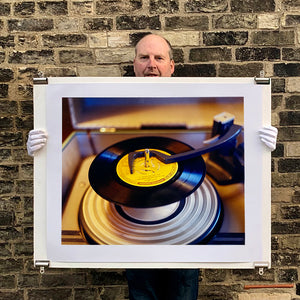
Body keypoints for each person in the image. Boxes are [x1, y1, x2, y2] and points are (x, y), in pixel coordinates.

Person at [27, 33, 278, 300]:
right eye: (144, 57)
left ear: (171, 66)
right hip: (134, 244)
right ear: (134, 64)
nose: (151, 64)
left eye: (159, 58)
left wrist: (258, 148)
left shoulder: (196, 99)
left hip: (185, 244)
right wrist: (45, 151)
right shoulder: (113, 97)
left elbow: (241, 147)